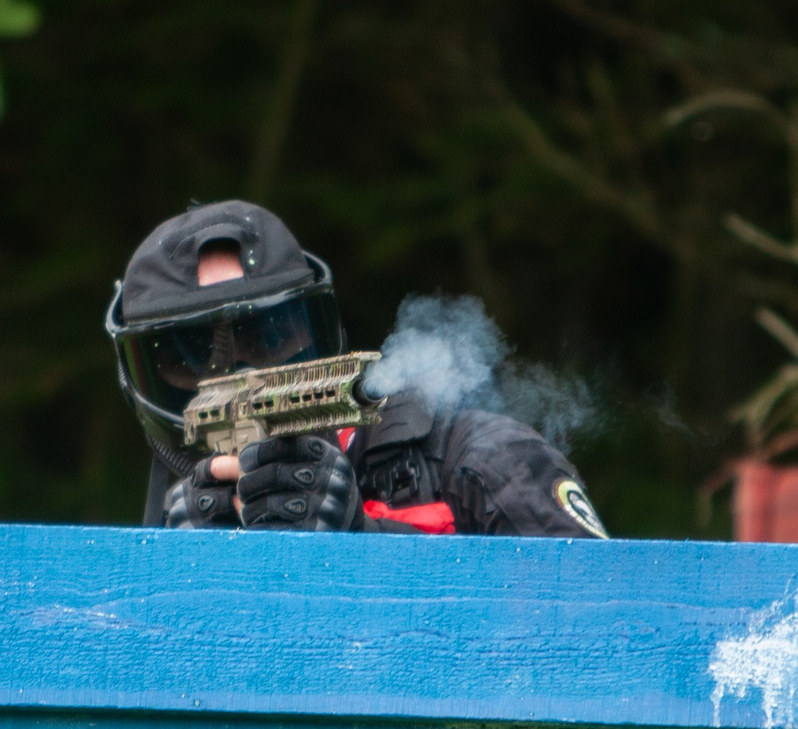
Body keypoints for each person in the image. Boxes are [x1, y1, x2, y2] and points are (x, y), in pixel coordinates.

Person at [105, 200, 609, 538]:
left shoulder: (480, 463)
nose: (238, 378)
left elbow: (605, 635)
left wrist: (363, 542)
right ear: (144, 381)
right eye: (192, 353)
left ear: (322, 335)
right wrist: (186, 581)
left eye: (267, 336)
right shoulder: (170, 518)